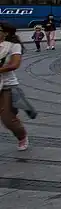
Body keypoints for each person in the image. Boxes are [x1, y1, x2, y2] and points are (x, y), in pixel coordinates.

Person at [0, 21, 31, 150]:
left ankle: (22, 136)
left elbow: (15, 64)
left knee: (7, 119)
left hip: (6, 86)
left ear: (6, 33)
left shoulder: (14, 46)